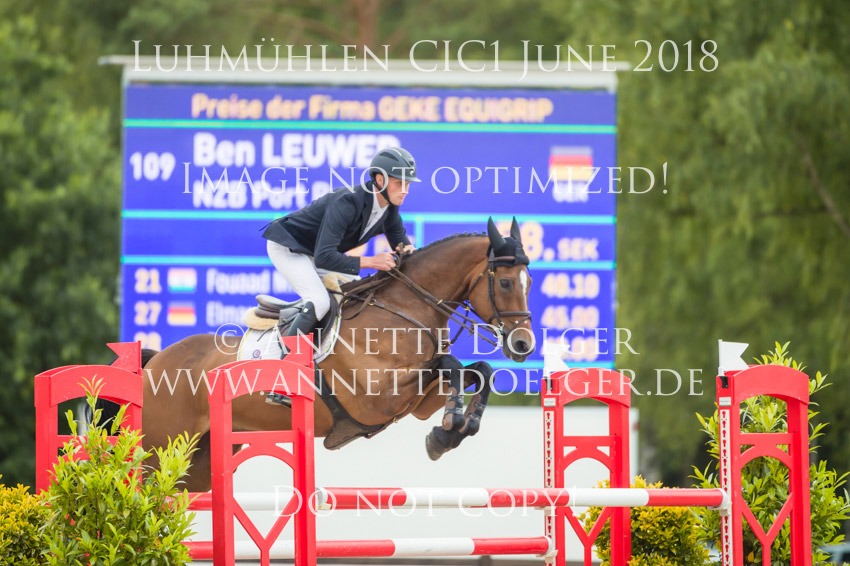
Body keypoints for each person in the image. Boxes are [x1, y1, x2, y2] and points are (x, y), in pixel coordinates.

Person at [262, 146, 420, 341]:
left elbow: (404, 247)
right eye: (399, 183)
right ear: (380, 180)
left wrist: (416, 257)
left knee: (359, 295)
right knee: (320, 302)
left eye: (408, 184)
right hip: (289, 247)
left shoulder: (389, 208)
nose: (405, 191)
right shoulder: (347, 202)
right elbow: (324, 257)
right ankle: (287, 355)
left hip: (316, 252)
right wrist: (372, 262)